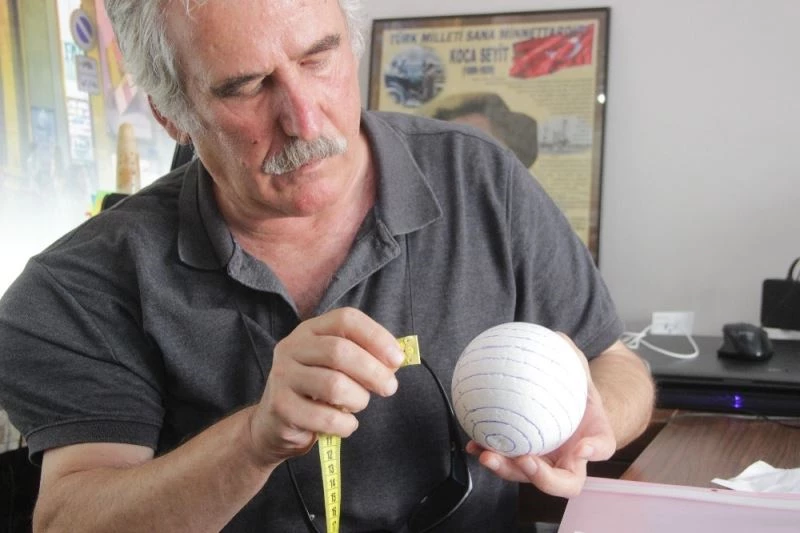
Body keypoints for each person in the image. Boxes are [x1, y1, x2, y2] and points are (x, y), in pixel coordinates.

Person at [0, 1, 655, 531]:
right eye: (245, 86)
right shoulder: (79, 286)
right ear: (171, 114)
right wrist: (252, 441)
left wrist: (587, 414)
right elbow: (70, 520)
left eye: (319, 57)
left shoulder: (481, 180)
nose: (305, 119)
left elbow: (614, 362)